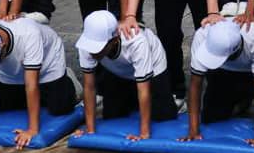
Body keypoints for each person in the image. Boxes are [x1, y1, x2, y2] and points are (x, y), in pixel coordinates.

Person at [0, 17, 76, 149]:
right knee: (8, 110)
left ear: (1, 46)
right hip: (11, 71)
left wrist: (32, 130)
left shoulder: (29, 34)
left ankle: (68, 80)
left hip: (47, 65)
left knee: (61, 107)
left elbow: (31, 85)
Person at [74, 10, 177, 142]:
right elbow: (89, 87)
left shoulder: (136, 41)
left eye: (98, 48)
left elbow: (143, 89)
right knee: (113, 116)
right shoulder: (86, 43)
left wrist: (144, 134)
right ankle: (130, 97)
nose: (93, 52)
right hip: (117, 70)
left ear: (115, 39)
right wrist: (90, 129)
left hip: (153, 66)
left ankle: (168, 97)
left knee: (164, 116)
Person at [182, 20, 254, 147]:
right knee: (211, 118)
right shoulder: (203, 34)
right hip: (226, 71)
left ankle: (245, 96)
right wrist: (193, 131)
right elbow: (195, 84)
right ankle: (241, 101)